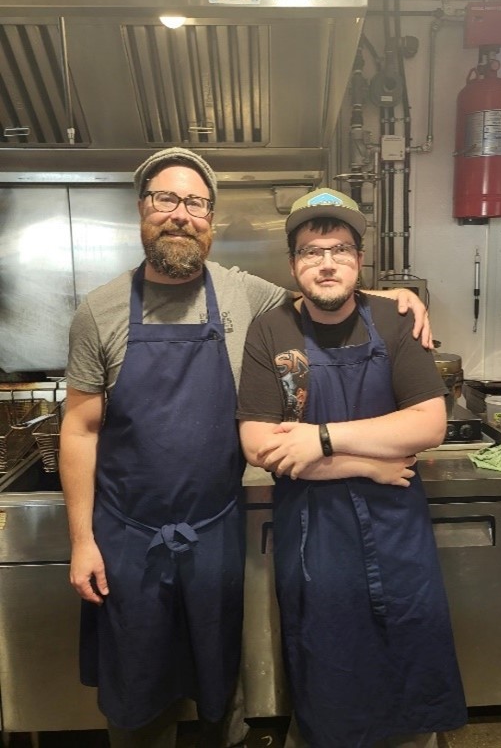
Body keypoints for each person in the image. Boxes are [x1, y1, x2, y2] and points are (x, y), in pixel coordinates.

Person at [59, 150, 433, 748]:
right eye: (166, 200)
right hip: (126, 535)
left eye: (195, 203)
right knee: (134, 690)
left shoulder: (243, 294)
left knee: (219, 682)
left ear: (210, 218)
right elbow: (79, 430)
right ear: (142, 210)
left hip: (216, 531)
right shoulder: (99, 312)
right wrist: (82, 541)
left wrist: (396, 296)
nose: (181, 215)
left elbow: (323, 286)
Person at [237, 188, 467, 748]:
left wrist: (320, 439)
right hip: (316, 532)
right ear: (294, 265)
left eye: (339, 249)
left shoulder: (393, 319)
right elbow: (259, 445)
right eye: (312, 251)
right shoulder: (270, 332)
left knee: (408, 642)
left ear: (358, 260)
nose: (327, 262)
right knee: (326, 656)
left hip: (396, 528)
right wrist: (366, 463)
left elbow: (428, 425)